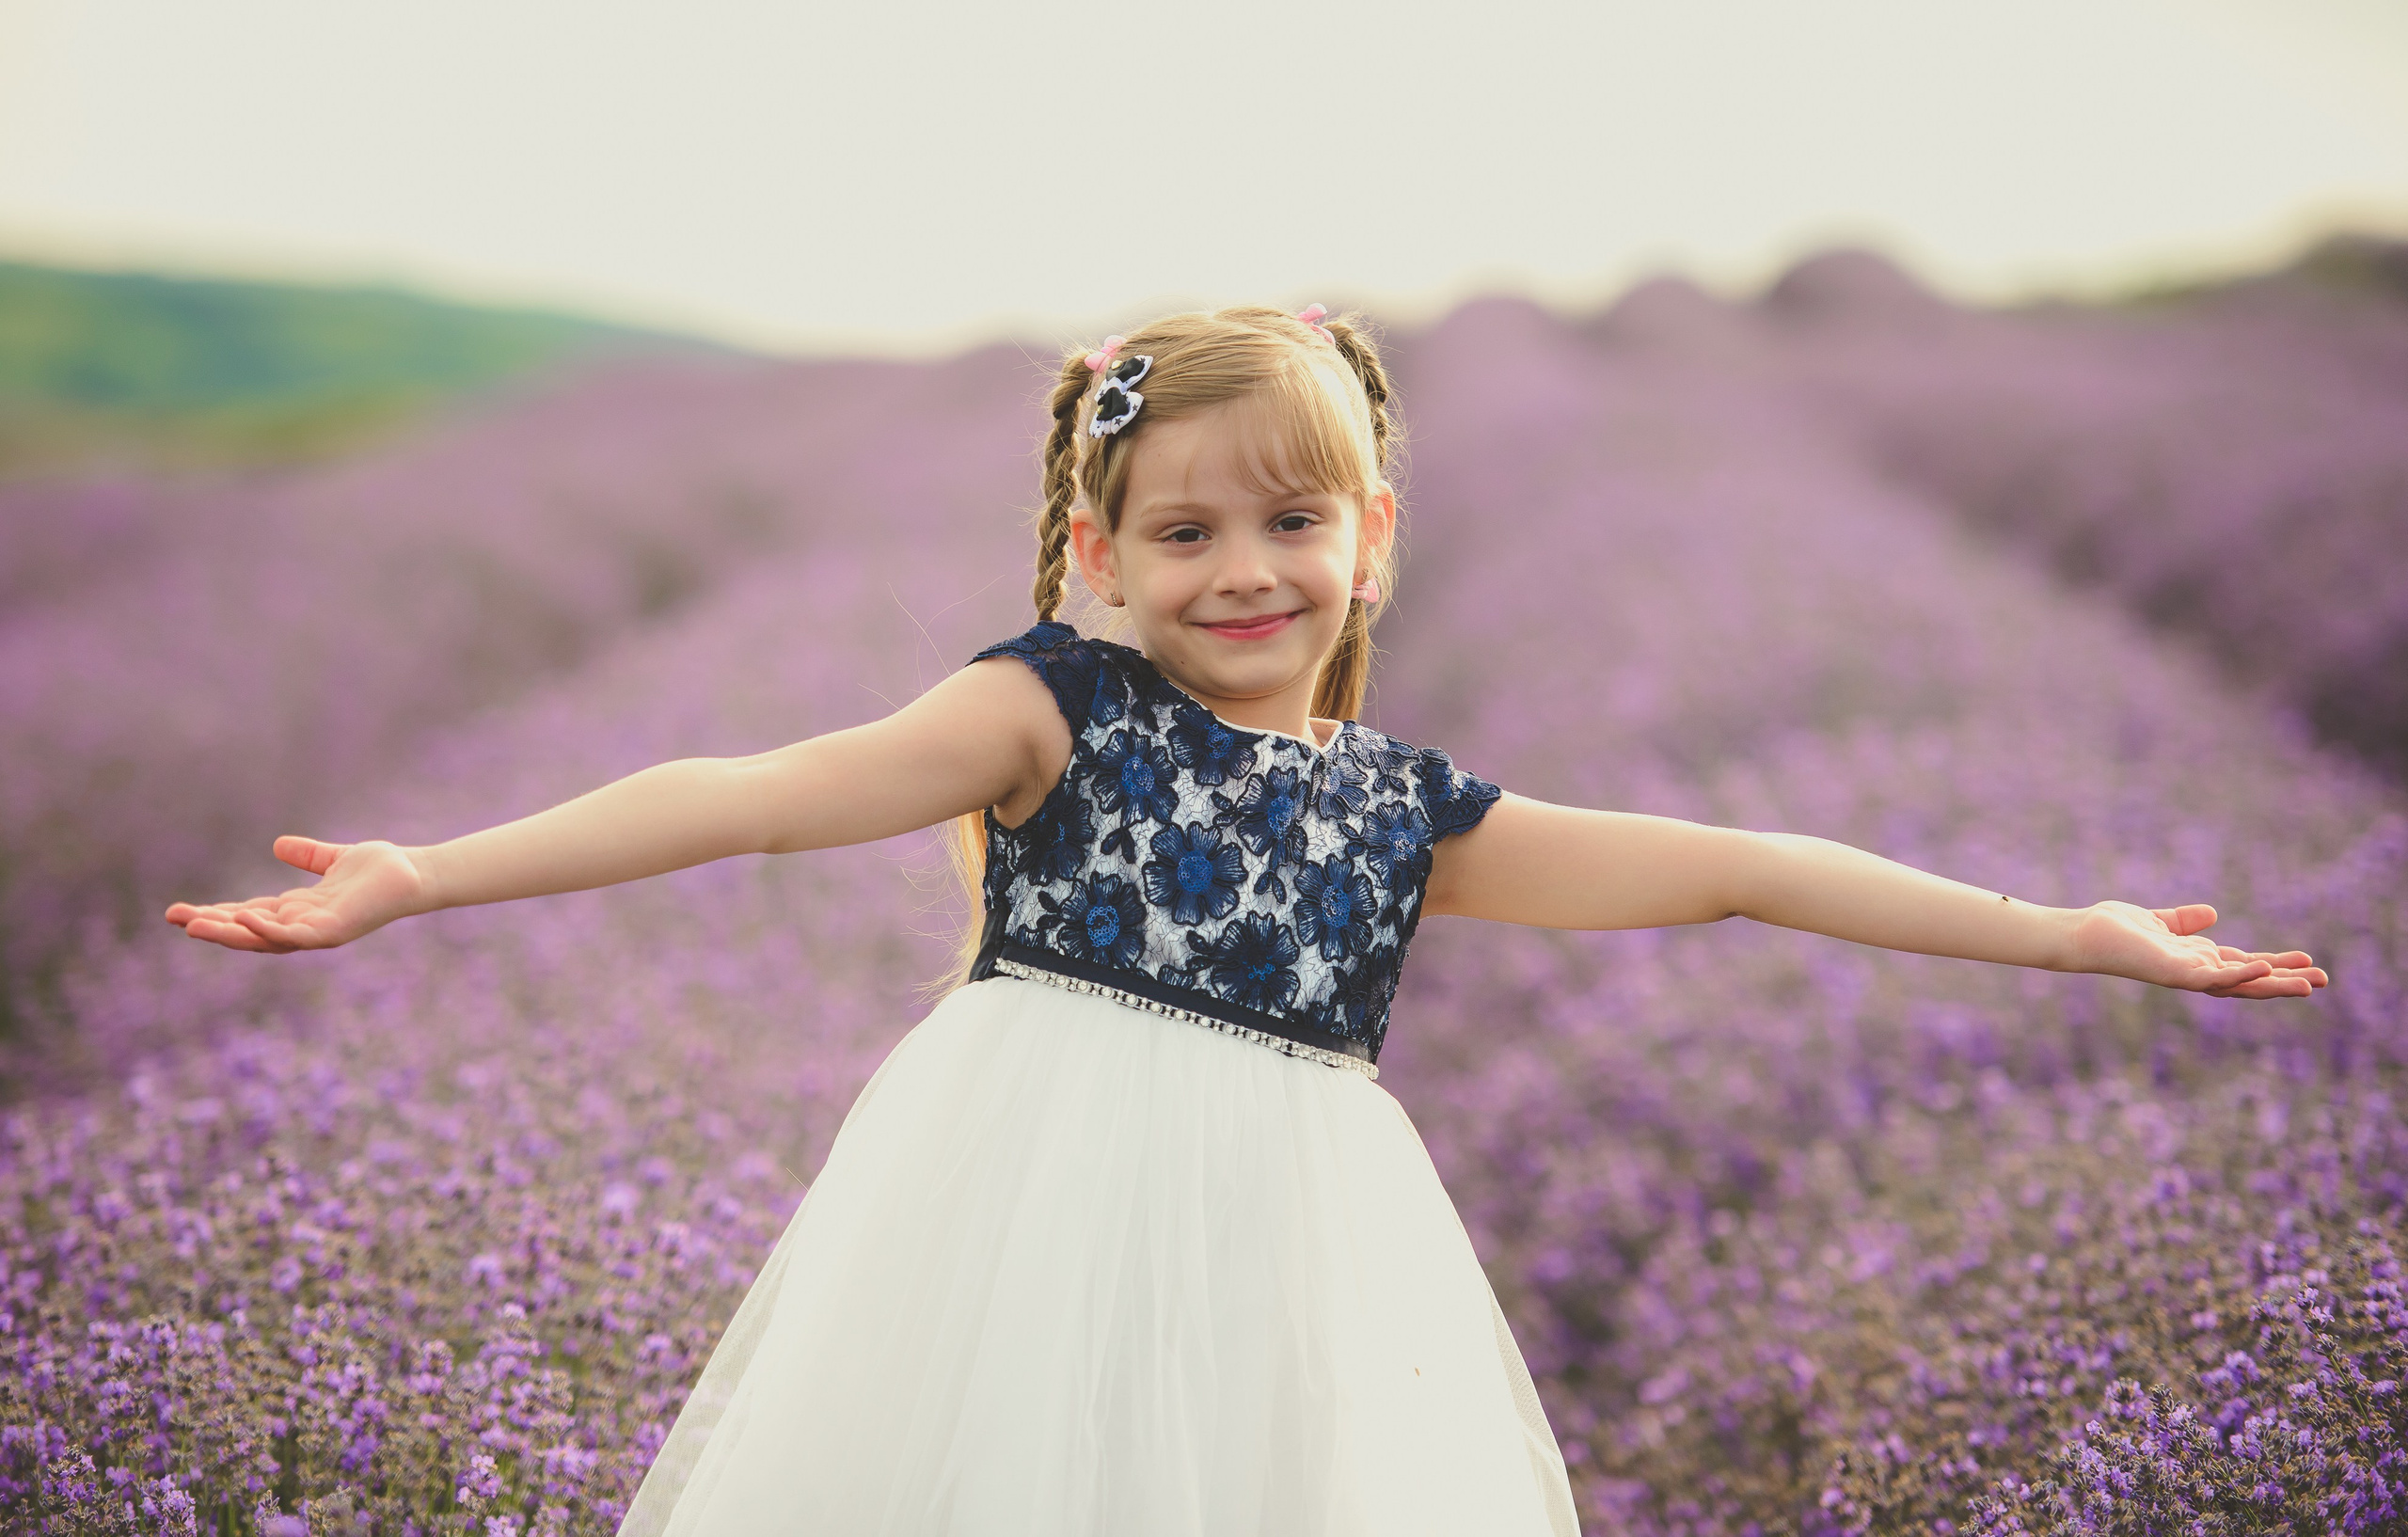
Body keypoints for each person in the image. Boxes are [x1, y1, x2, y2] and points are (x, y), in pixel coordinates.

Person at [166, 304, 2328, 1536]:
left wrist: (2066, 929)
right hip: (1004, 1247)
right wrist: (424, 874)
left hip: (1290, 1274)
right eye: (1179, 528)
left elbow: (1740, 867)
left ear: (1370, 539)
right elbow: (744, 800)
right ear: (1092, 555)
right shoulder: (1043, 713)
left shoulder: (1399, 811)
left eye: (1288, 521)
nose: (1240, 568)